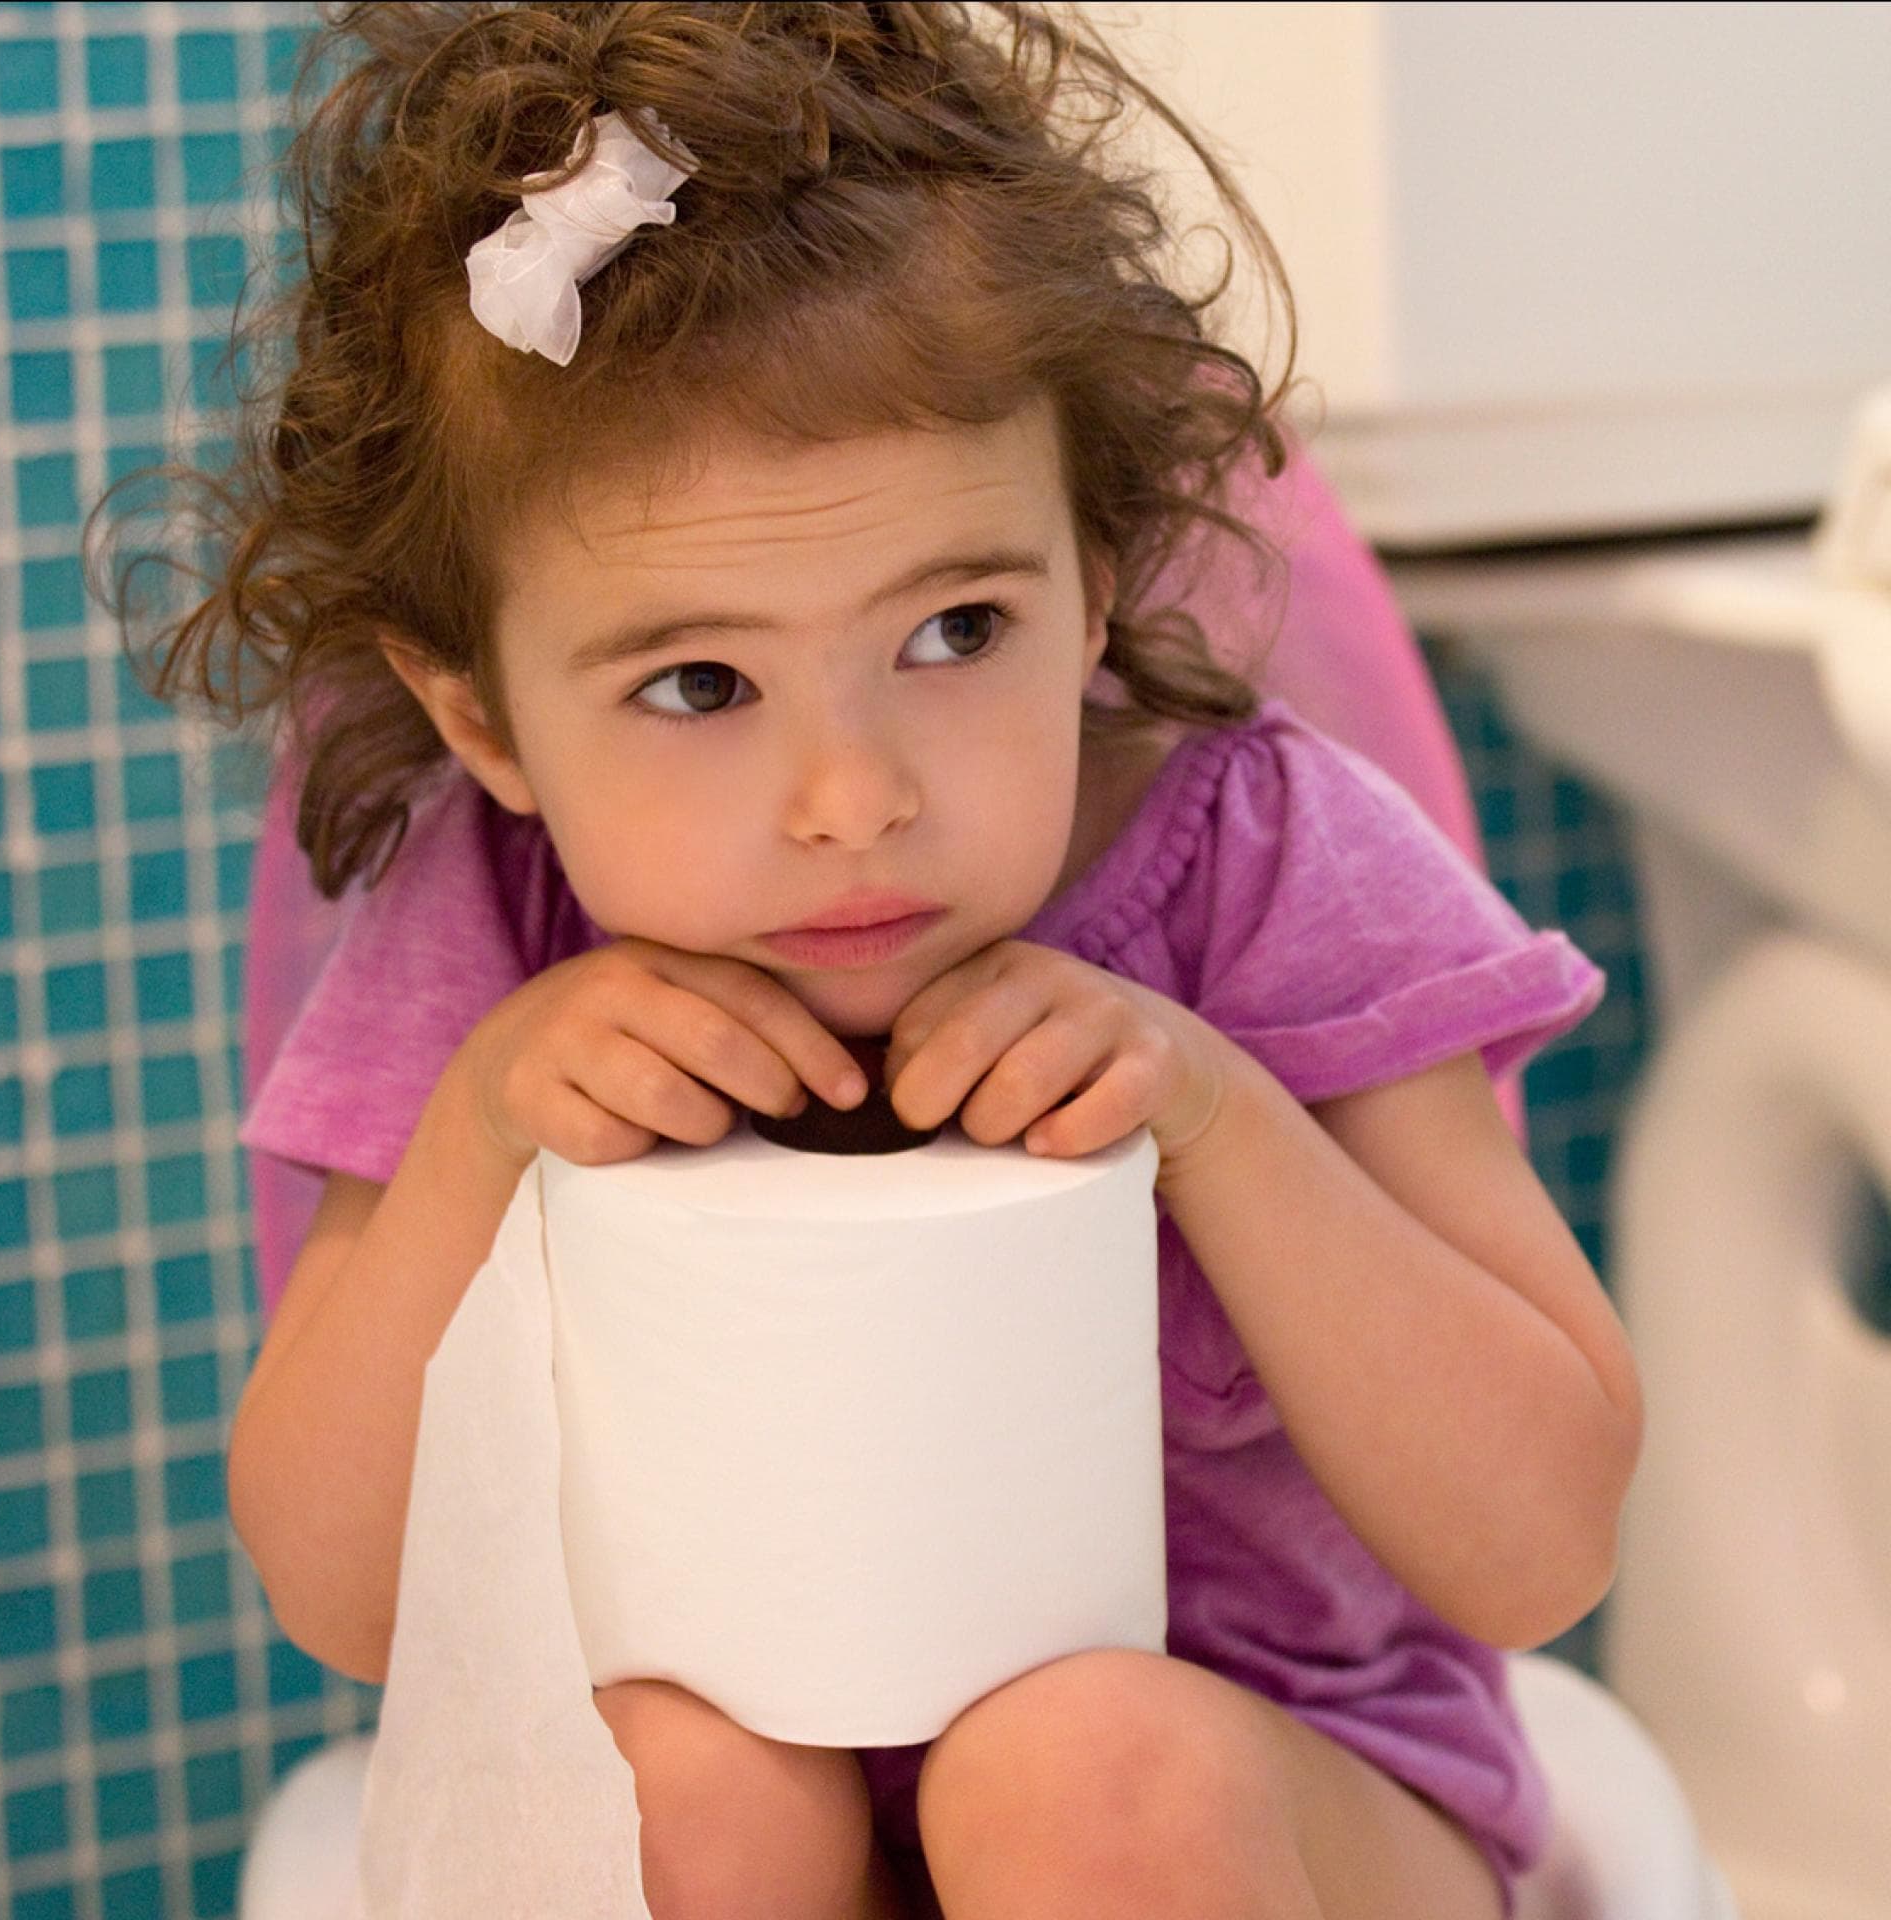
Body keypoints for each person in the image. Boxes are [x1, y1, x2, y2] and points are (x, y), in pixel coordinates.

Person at [104, 6, 1642, 1917]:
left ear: (1098, 574)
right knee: (660, 1793)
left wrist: (1228, 1125)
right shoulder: (489, 929)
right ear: (482, 718)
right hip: (769, 1823)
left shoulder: (1269, 866)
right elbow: (343, 1598)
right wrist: (482, 1133)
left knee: (1084, 1776)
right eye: (697, 682)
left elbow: (1546, 1545)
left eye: (953, 631)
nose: (850, 798)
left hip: (1270, 1808)